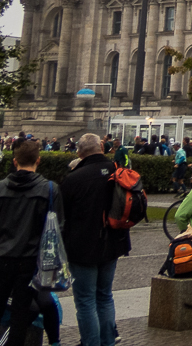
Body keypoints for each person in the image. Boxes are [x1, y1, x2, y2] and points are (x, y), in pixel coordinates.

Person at [60, 133, 131, 346]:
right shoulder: (118, 171)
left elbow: (62, 217)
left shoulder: (74, 178)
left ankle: (91, 343)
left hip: (83, 248)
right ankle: (108, 341)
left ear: (79, 152)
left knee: (85, 300)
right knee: (105, 296)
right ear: (102, 147)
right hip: (113, 243)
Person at [0, 139, 63, 346]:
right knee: (20, 314)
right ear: (39, 160)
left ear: (14, 161)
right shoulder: (50, 189)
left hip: (1, 258)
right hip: (30, 261)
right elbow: (58, 228)